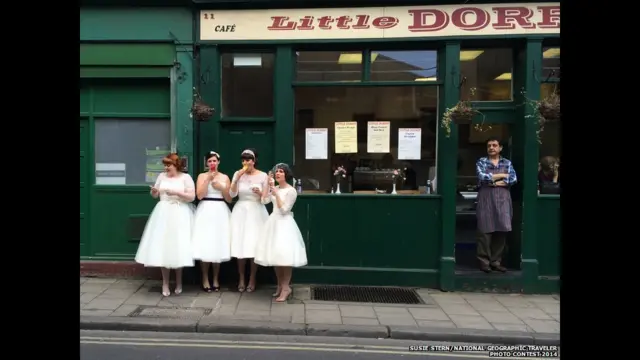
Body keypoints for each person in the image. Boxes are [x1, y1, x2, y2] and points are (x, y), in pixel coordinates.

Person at [134, 153, 196, 296]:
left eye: (169, 165)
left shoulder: (185, 178)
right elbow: (156, 195)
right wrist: (154, 192)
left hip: (179, 212)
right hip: (163, 212)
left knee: (178, 246)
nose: (166, 167)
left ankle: (179, 282)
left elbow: (192, 197)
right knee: (163, 246)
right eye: (165, 165)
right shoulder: (161, 177)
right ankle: (165, 283)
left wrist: (176, 192)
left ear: (176, 165)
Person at [255, 163, 308, 302]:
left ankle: (286, 288)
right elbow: (264, 200)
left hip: (285, 223)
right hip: (273, 222)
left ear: (286, 175)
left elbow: (284, 209)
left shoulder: (291, 191)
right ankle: (279, 285)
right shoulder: (275, 188)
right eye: (276, 172)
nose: (278, 174)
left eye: (281, 172)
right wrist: (268, 185)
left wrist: (277, 194)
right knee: (276, 257)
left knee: (285, 258)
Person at [228, 148, 270, 292]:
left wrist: (260, 193)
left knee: (254, 244)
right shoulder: (237, 174)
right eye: (244, 160)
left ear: (254, 161)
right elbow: (232, 194)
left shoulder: (263, 176)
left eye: (248, 160)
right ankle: (241, 278)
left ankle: (252, 278)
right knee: (240, 244)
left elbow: (266, 199)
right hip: (241, 211)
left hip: (256, 210)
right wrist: (236, 179)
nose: (246, 162)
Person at [192, 151, 232, 293]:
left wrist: (221, 188)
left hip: (220, 209)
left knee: (218, 242)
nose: (212, 164)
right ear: (206, 163)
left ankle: (215, 278)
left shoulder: (225, 177)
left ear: (218, 162)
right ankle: (205, 278)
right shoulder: (202, 176)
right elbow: (199, 195)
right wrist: (207, 180)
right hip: (206, 209)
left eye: (214, 161)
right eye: (209, 161)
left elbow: (229, 198)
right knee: (206, 242)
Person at [475, 137, 517, 273]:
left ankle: (496, 261)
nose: (491, 148)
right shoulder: (481, 161)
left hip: (503, 199)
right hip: (486, 198)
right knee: (484, 231)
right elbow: (482, 177)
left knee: (502, 229)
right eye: (489, 146)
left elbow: (513, 179)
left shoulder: (507, 162)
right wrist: (501, 176)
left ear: (500, 148)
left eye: (494, 145)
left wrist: (494, 180)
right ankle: (484, 262)